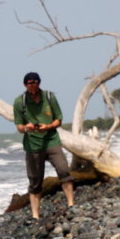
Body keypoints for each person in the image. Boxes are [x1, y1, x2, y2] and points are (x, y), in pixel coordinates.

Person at [13, 72, 74, 220]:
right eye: (29, 83)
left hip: (51, 140)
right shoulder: (19, 101)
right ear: (24, 84)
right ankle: (35, 215)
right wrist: (28, 127)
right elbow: (19, 127)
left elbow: (58, 120)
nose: (32, 85)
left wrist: (47, 126)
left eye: (35, 82)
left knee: (64, 170)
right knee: (35, 181)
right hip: (33, 145)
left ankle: (71, 205)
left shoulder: (49, 97)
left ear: (39, 83)